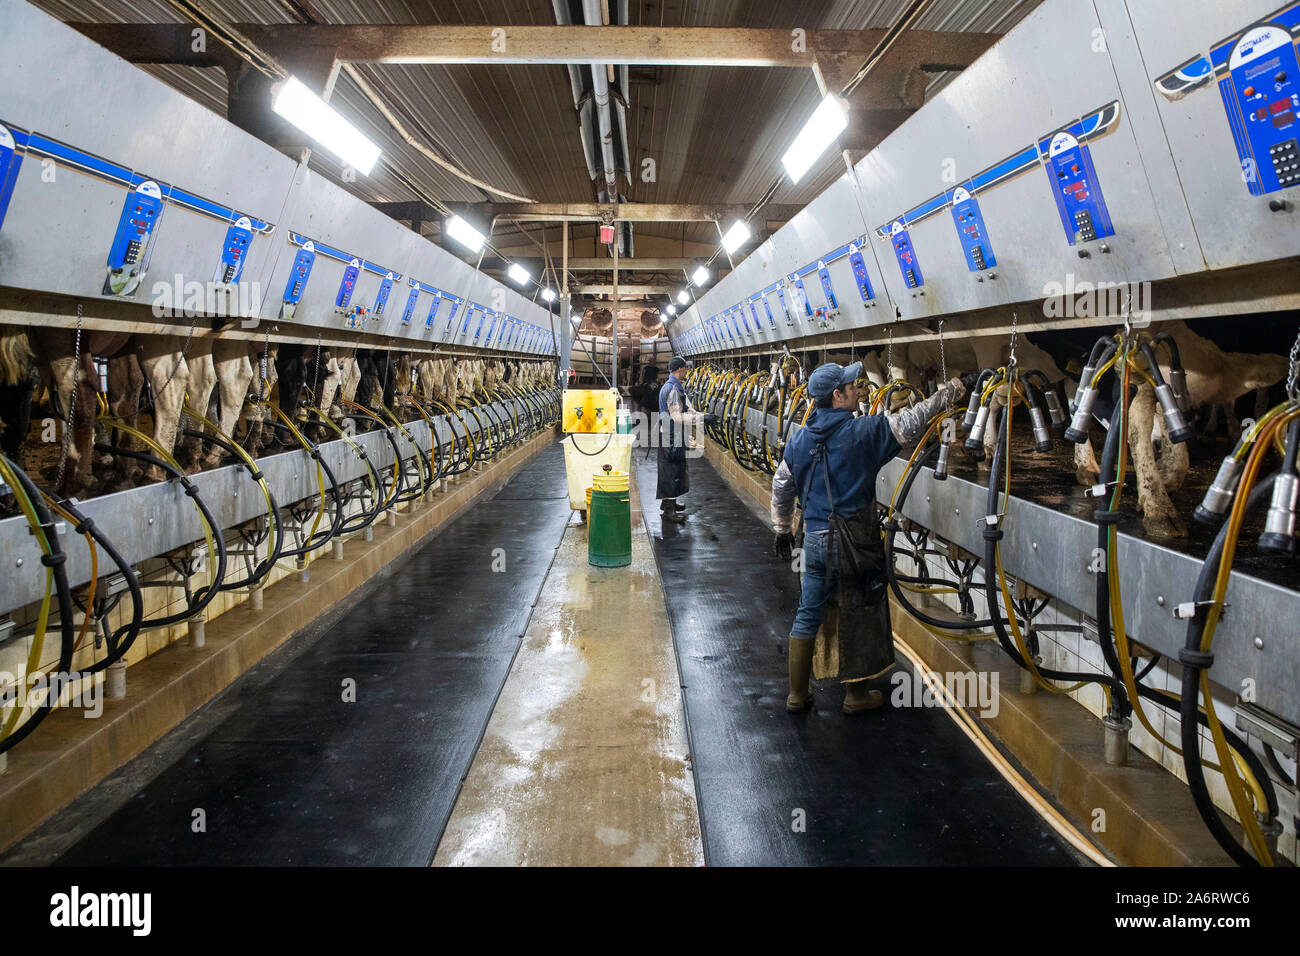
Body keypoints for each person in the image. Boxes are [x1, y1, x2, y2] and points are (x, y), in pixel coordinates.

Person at [770, 361, 965, 714]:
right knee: (857, 611)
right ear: (837, 396)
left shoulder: (800, 437)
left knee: (809, 611)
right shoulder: (863, 432)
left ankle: (797, 695)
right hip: (854, 540)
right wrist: (947, 393)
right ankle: (856, 697)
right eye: (851, 386)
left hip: (813, 539)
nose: (858, 389)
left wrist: (782, 527)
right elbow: (911, 421)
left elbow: (781, 484)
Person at [656, 356, 703, 523]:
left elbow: (687, 409)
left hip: (672, 434)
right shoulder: (673, 389)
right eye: (685, 369)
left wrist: (701, 416)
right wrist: (699, 420)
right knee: (670, 471)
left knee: (674, 469)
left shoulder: (674, 386)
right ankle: (669, 511)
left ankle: (668, 504)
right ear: (679, 370)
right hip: (671, 436)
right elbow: (676, 416)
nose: (686, 371)